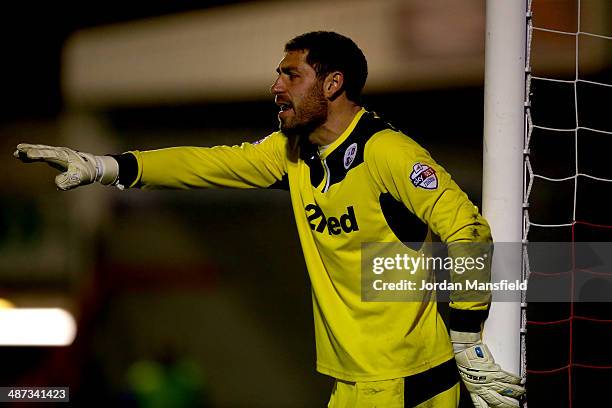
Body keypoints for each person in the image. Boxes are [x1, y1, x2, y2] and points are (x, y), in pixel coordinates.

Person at [15, 31, 524, 408]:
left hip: (408, 379)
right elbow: (211, 163)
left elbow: (469, 231)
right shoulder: (292, 152)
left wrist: (465, 337)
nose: (276, 86)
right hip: (354, 380)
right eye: (278, 74)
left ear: (333, 82)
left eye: (290, 74)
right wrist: (107, 167)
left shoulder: (386, 152)